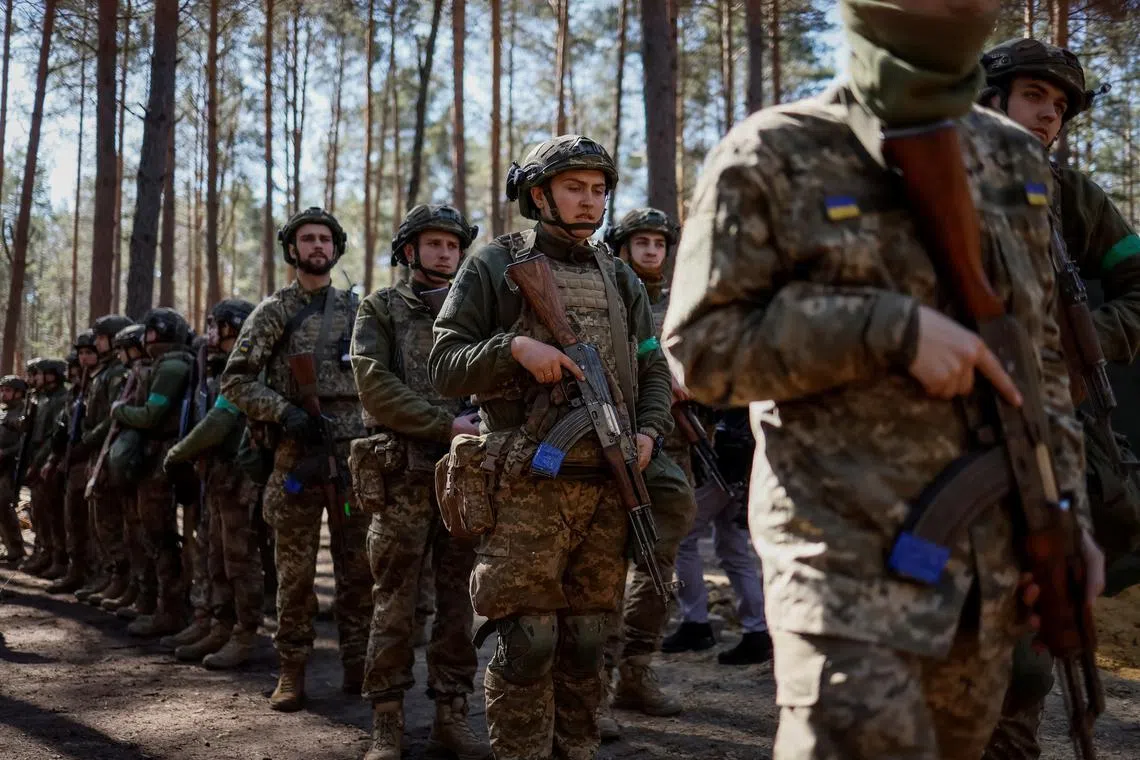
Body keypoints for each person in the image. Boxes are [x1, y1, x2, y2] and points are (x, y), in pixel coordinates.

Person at [661, 1, 1103, 758]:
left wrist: (1066, 511)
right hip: (845, 573)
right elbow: (699, 351)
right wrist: (884, 330)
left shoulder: (1014, 160)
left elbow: (1041, 365)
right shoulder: (773, 151)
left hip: (988, 572)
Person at [429, 134, 679, 760]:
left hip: (607, 479)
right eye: (575, 188)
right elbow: (443, 364)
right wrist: (513, 349)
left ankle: (578, 750)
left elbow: (651, 369)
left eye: (598, 190)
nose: (590, 201)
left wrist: (649, 431)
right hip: (527, 485)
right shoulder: (495, 265)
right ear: (539, 194)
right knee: (529, 640)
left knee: (590, 637)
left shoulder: (620, 276)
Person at [978, 38, 1140, 760]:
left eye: (1060, 106)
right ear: (992, 99)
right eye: (1033, 96)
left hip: (1048, 432)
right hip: (947, 432)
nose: (1048, 116)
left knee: (1028, 658)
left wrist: (1079, 346)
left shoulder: (1071, 197)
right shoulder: (931, 182)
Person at [350, 204, 489, 760]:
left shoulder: (477, 313)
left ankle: (451, 714)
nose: (445, 254)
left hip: (464, 477)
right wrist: (444, 422)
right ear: (409, 251)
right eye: (433, 245)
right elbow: (373, 383)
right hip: (402, 475)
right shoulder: (381, 307)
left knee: (460, 601)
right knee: (395, 601)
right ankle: (387, 719)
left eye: (453, 246)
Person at [221, 206, 371, 712]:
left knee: (358, 568)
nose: (317, 247)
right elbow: (236, 379)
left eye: (325, 239)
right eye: (307, 239)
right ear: (293, 249)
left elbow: (381, 378)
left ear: (336, 247)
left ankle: (359, 667)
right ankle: (292, 670)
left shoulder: (359, 311)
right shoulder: (275, 311)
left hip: (354, 457)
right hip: (297, 456)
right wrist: (285, 412)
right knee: (295, 570)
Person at [597, 208, 698, 740]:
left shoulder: (685, 304)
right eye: (642, 241)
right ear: (624, 246)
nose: (653, 250)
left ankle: (635, 670)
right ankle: (596, 682)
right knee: (607, 566)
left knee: (660, 570)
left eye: (660, 242)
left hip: (672, 449)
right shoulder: (606, 292)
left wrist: (692, 380)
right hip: (616, 449)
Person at [161, 298, 265, 669]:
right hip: (219, 475)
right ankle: (218, 624)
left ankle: (245, 631)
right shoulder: (214, 367)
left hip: (240, 476)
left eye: (215, 326)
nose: (208, 334)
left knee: (239, 558)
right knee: (214, 553)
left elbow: (221, 420)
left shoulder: (247, 366)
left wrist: (179, 452)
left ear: (232, 328)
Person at [662, 407, 770, 665]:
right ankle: (756, 631)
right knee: (733, 546)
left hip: (724, 455)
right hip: (738, 456)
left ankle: (696, 625)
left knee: (685, 538)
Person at [112, 307, 195, 637]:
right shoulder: (165, 364)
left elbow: (151, 414)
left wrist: (121, 411)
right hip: (161, 455)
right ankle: (163, 605)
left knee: (160, 535)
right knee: (155, 533)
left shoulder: (172, 365)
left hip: (163, 458)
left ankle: (171, 610)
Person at [74, 315, 134, 606]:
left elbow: (112, 418)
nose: (95, 343)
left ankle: (123, 579)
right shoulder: (102, 372)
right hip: (98, 453)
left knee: (111, 520)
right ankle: (109, 575)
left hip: (109, 452)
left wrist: (88, 440)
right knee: (99, 520)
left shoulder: (116, 374)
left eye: (100, 338)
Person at [25, 358, 70, 580]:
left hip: (49, 462)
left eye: (41, 373)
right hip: (38, 459)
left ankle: (58, 557)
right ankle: (45, 552)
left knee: (53, 512)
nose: (36, 377)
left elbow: (53, 437)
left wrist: (39, 462)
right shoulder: (41, 399)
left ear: (52, 375)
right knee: (39, 511)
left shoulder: (61, 400)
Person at [0, 375, 30, 563]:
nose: (4, 394)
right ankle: (9, 546)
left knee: (4, 505)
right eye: (2, 390)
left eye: (8, 390)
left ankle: (16, 548)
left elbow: (24, 443)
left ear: (19, 393)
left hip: (11, 466)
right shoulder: (3, 412)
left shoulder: (23, 414)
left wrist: (5, 452)